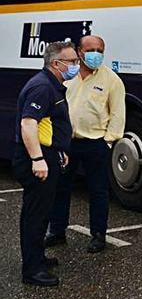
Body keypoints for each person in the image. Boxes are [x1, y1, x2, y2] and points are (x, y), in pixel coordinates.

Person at [45, 35, 125, 253]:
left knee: (98, 191)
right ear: (79, 52)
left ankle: (98, 235)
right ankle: (57, 231)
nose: (96, 54)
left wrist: (108, 142)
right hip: (67, 142)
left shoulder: (111, 80)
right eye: (91, 50)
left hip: (96, 144)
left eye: (100, 50)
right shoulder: (67, 76)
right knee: (60, 188)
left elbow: (118, 114)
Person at [14, 42, 76, 286]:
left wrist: (60, 151)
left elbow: (49, 125)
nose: (75, 66)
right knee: (35, 214)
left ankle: (37, 257)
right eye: (71, 62)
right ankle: (32, 270)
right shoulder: (42, 87)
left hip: (49, 154)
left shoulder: (52, 84)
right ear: (56, 63)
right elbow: (28, 124)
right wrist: (38, 159)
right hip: (36, 158)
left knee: (42, 212)